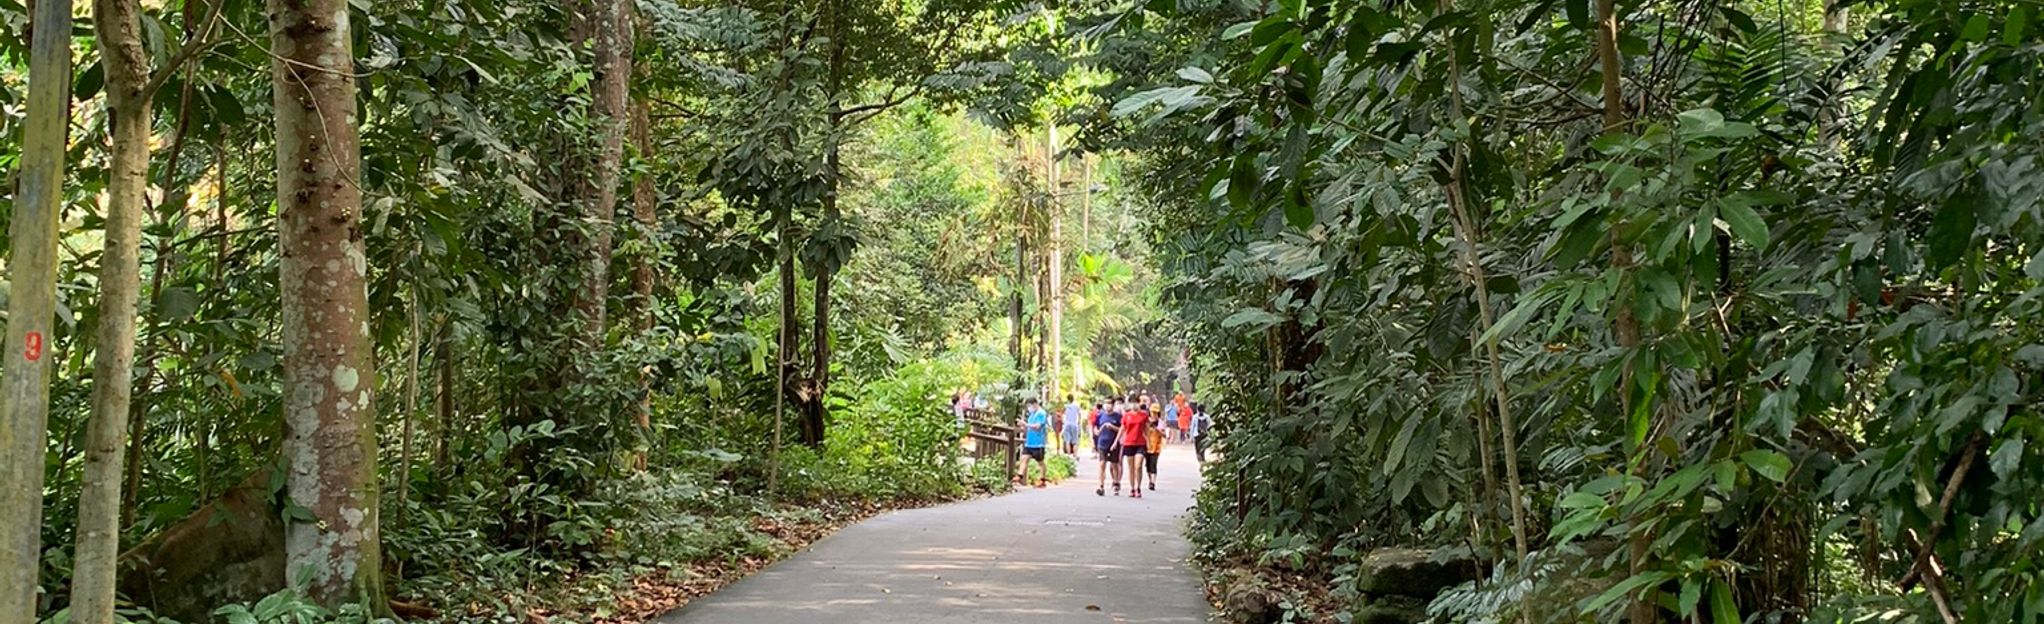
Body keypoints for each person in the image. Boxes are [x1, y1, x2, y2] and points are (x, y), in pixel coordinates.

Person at [1120, 397, 1151, 498]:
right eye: (1132, 403)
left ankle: (1138, 487)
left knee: (1138, 465)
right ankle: (1132, 488)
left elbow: (1147, 429)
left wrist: (1149, 442)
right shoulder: (1126, 416)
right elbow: (1123, 428)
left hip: (1140, 443)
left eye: (1136, 403)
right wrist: (1117, 441)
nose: (1134, 405)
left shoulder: (1144, 415)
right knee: (1131, 468)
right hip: (1129, 443)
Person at [1094, 401, 1123, 496]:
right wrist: (1096, 431)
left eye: (1109, 403)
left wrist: (1112, 427)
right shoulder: (1100, 415)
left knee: (1114, 465)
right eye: (1105, 403)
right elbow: (1095, 426)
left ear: (1113, 405)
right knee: (1102, 464)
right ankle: (1101, 486)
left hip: (1113, 443)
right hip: (1102, 443)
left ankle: (1116, 483)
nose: (1107, 405)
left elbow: (1122, 429)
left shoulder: (1118, 416)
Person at [1021, 399, 1050, 488]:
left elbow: (1037, 426)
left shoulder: (1041, 413)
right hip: (1029, 442)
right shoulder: (1032, 415)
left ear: (1036, 404)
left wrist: (1026, 424)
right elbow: (1029, 426)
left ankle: (1042, 479)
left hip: (1038, 443)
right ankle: (1019, 476)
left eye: (1030, 405)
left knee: (1040, 462)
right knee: (1024, 458)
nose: (1029, 408)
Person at [1144, 406, 1165, 490]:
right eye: (1153, 412)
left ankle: (1153, 482)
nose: (1154, 414)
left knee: (1153, 464)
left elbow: (1164, 435)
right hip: (1147, 446)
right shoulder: (1147, 422)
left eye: (1156, 413)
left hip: (1156, 447)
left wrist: (1158, 429)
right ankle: (1150, 480)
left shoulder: (1160, 423)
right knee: (1148, 465)